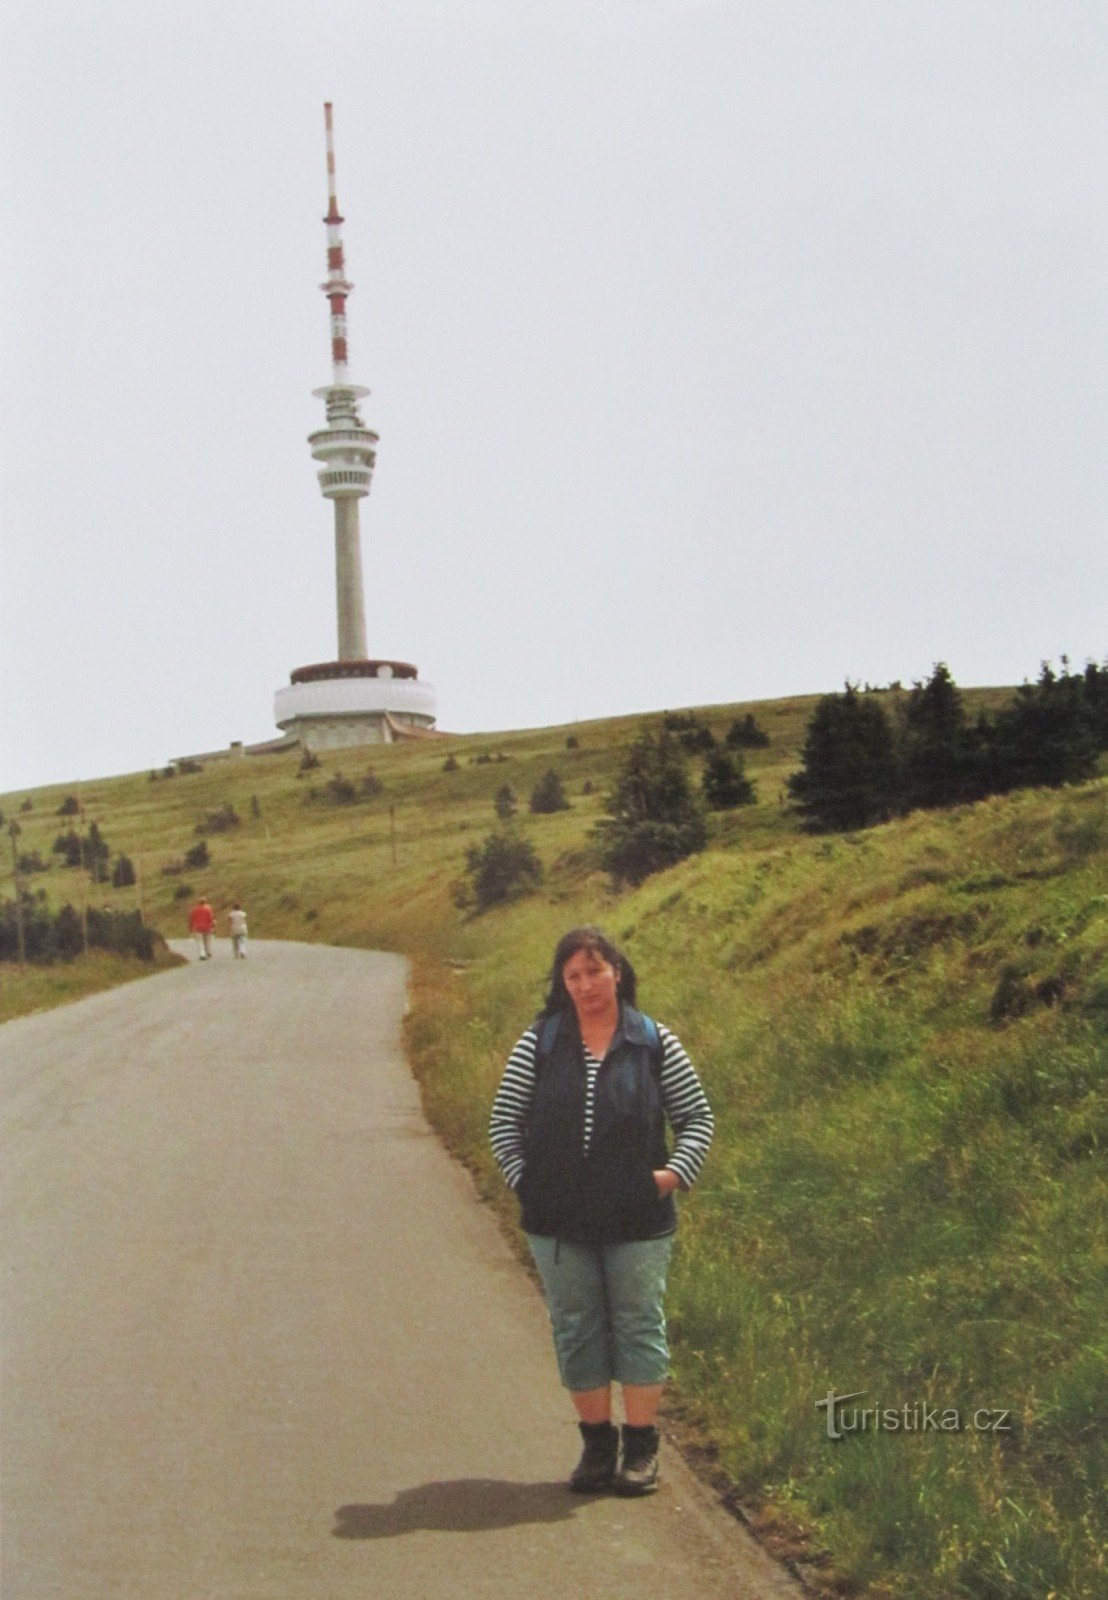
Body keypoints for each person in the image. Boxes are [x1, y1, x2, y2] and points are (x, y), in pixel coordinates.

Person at [489, 925, 713, 1497]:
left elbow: (697, 1120)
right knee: (577, 1327)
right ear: (563, 984)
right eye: (574, 976)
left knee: (638, 1323)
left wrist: (668, 1178)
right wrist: (527, 1184)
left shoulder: (654, 1041)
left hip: (638, 1219)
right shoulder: (539, 1042)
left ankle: (641, 1449)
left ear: (617, 971)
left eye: (595, 971)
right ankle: (596, 1445)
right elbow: (503, 1124)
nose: (586, 984)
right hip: (558, 1221)